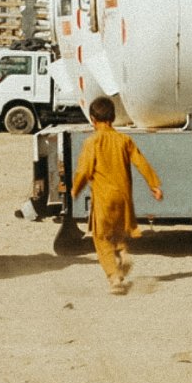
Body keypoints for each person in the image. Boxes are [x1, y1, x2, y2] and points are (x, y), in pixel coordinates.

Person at [70, 95, 161, 295]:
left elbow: (84, 170)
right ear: (112, 117)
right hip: (124, 197)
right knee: (118, 232)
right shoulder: (124, 139)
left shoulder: (92, 141)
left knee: (101, 237)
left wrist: (75, 188)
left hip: (104, 198)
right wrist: (154, 184)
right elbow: (141, 162)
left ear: (93, 119)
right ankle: (123, 253)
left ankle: (115, 278)